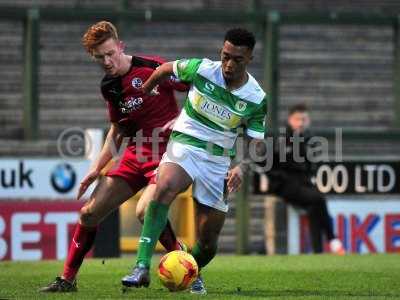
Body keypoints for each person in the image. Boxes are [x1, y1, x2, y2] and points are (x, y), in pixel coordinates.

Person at [40, 21, 189, 293]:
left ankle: (185, 263)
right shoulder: (110, 86)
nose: (107, 61)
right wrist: (96, 169)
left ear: (120, 46)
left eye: (111, 53)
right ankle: (67, 280)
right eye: (100, 57)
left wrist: (183, 119)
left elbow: (197, 86)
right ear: (92, 56)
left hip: (169, 153)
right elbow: (118, 130)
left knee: (145, 210)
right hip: (136, 154)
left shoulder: (152, 65)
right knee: (88, 213)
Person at [121, 28, 267, 295]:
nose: (228, 64)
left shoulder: (256, 98)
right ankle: (140, 267)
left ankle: (190, 270)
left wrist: (241, 166)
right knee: (165, 186)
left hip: (218, 161)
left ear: (249, 59)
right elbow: (165, 69)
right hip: (186, 142)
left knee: (209, 240)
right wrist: (148, 90)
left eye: (237, 59)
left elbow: (257, 142)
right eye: (225, 56)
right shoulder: (202, 69)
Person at [267, 103, 345, 254]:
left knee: (313, 208)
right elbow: (265, 161)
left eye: (304, 119)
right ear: (290, 119)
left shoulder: (309, 140)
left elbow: (310, 166)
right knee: (319, 198)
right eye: (297, 119)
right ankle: (333, 239)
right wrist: (278, 178)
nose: (301, 123)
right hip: (285, 186)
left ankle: (318, 252)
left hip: (302, 185)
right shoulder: (281, 139)